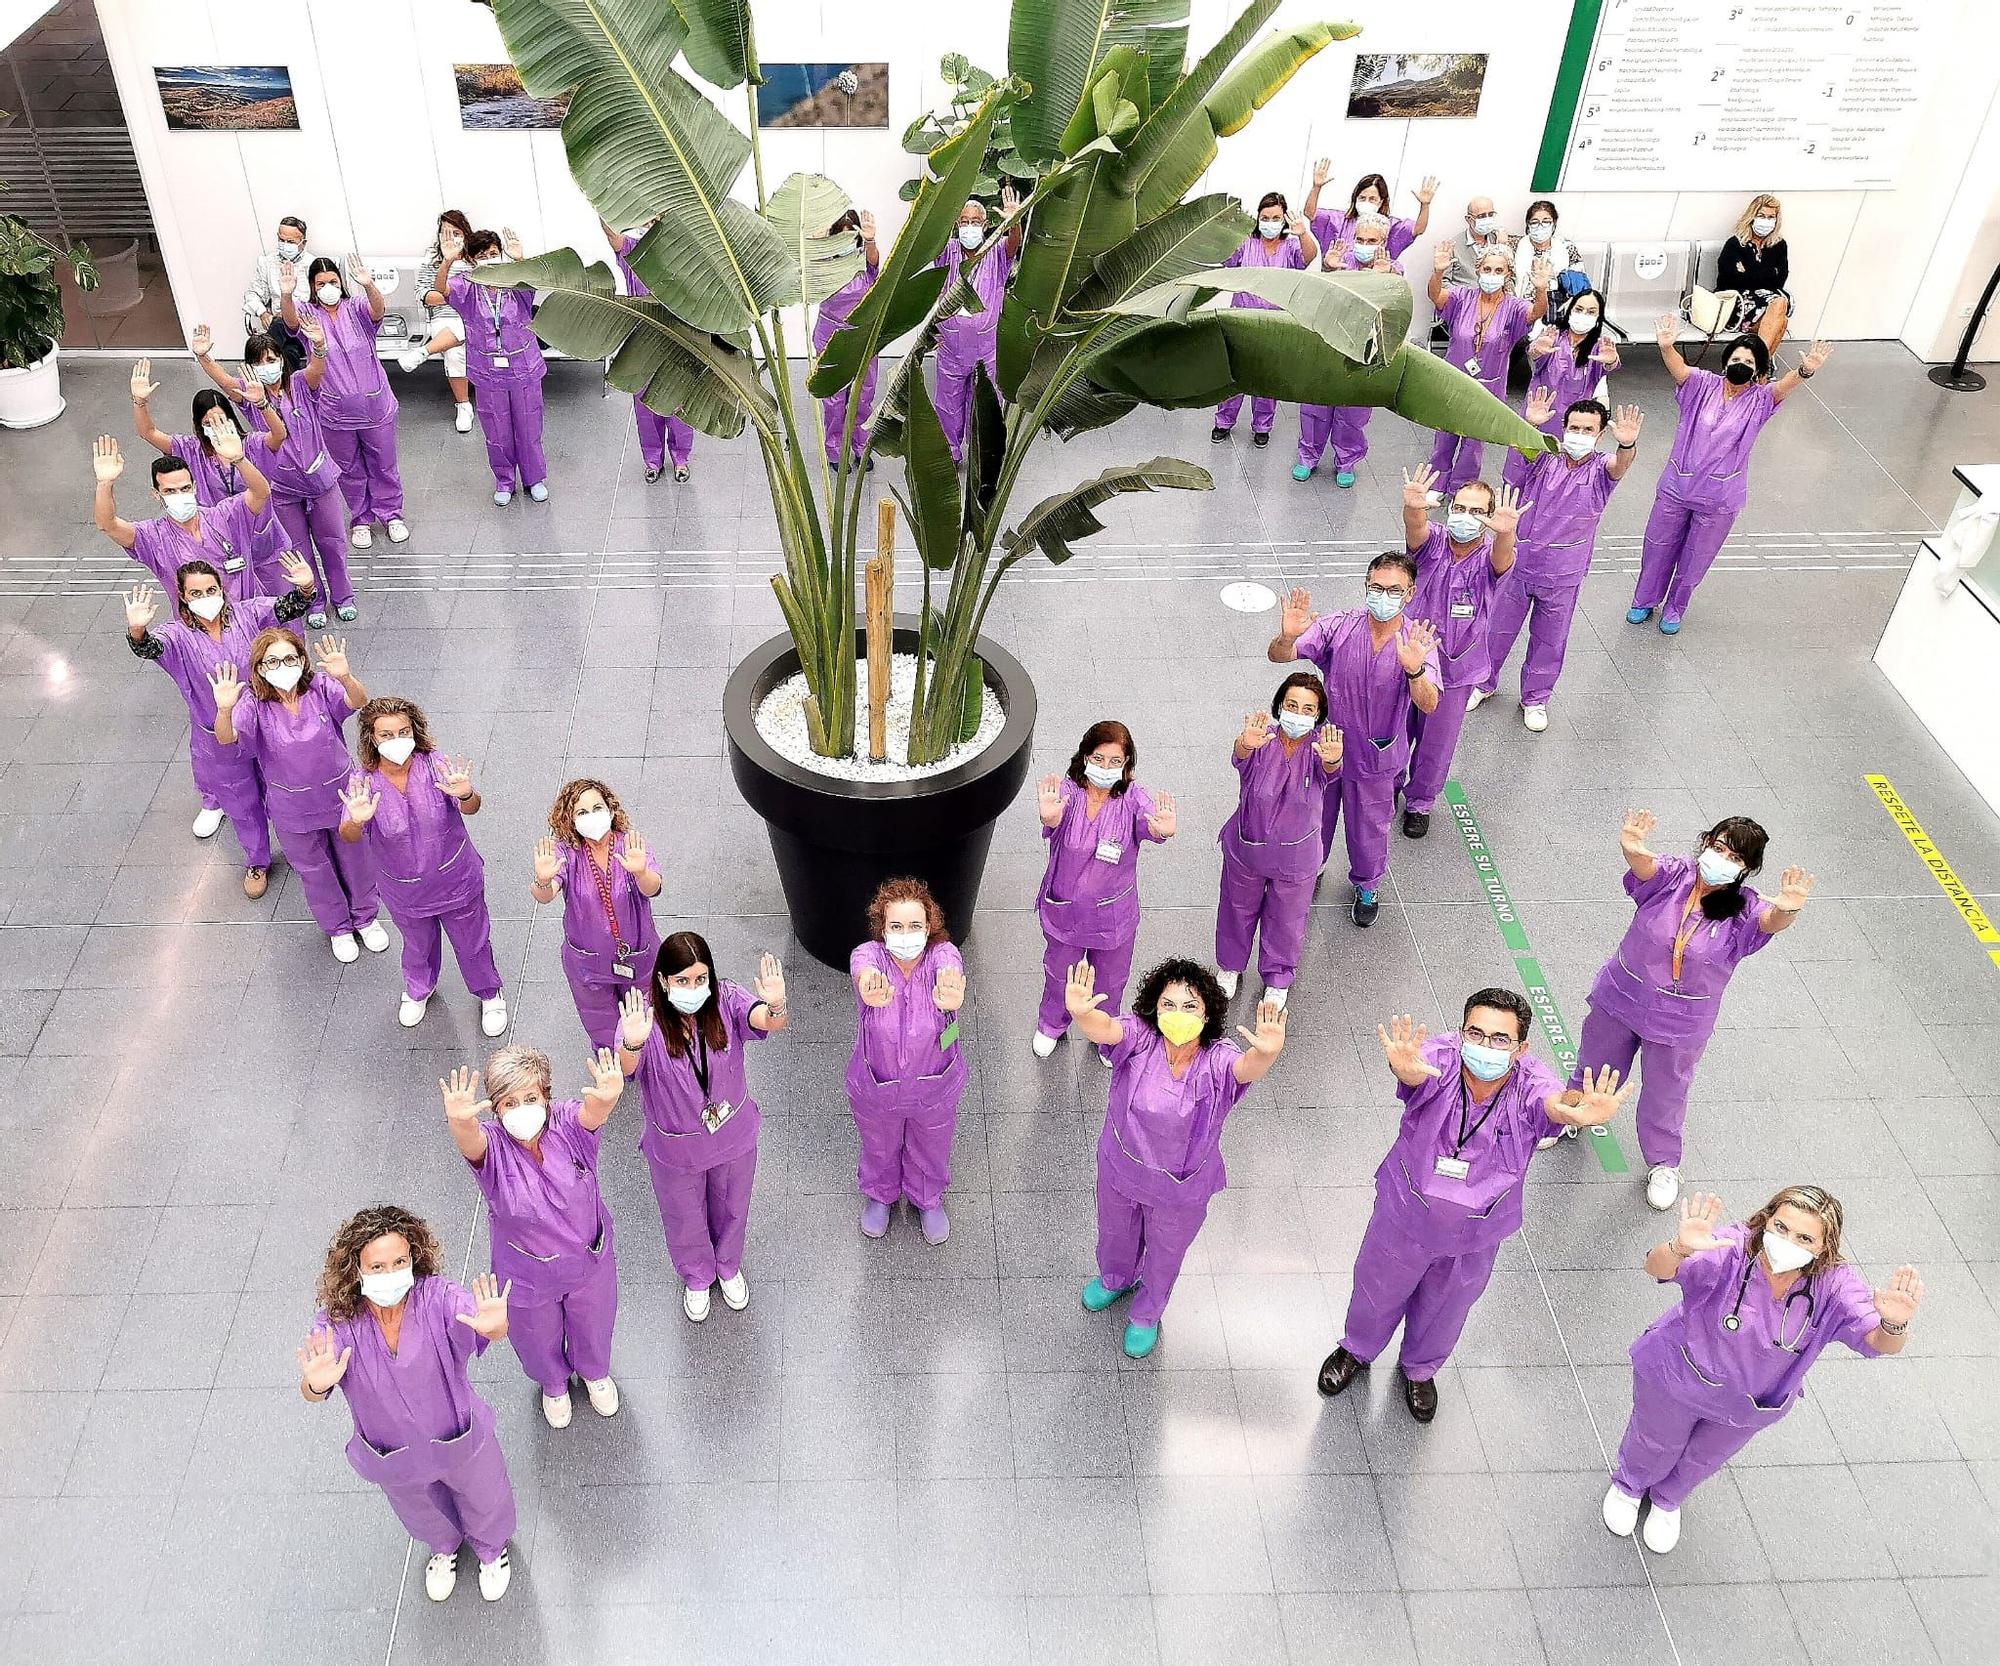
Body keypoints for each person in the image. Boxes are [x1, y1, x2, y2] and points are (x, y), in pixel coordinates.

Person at [1316, 998, 1631, 1420]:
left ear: (1521, 1047)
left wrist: (1576, 1112)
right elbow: (1413, 1073)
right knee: (1376, 1290)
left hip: (1476, 1232)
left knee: (1448, 1306)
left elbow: (1553, 1106)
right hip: (1406, 1214)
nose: (1485, 1045)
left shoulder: (1531, 1084)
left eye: (1501, 1038)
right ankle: (1356, 1349)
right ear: (1462, 1031)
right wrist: (1402, 1070)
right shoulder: (1439, 1059)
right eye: (1476, 1033)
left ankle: (1420, 1368)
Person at [1604, 1187, 1921, 1554]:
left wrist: (1893, 1324)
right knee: (1654, 1439)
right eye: (1781, 1227)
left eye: (1805, 1237)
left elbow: (1878, 1344)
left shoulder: (1833, 1287)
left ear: (1823, 1246)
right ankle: (1630, 1485)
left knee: (1705, 1456)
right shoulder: (1731, 1249)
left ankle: (1667, 1498)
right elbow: (1655, 1268)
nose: (1788, 1241)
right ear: (1766, 1219)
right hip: (1678, 1379)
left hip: (1748, 1405)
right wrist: (1680, 1246)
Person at [1567, 811, 1814, 1210]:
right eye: (1717, 848)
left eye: (1734, 857)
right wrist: (1631, 846)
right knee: (1595, 1062)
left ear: (1747, 869)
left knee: (1666, 1092)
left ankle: (1663, 1163)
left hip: (1679, 1023)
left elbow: (1771, 921)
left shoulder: (1744, 910)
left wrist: (1789, 908)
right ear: (1705, 845)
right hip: (1623, 995)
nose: (1722, 859)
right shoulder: (1675, 876)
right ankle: (1571, 1111)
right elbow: (1645, 866)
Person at [1066, 956, 1287, 1359]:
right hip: (1122, 1169)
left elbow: (1244, 1068)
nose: (1178, 1014)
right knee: (1116, 1231)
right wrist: (1082, 1014)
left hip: (1180, 1189)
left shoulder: (1217, 1060)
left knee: (1166, 1251)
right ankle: (1116, 1277)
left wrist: (1267, 1053)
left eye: (1190, 1006)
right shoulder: (1140, 1039)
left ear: (1207, 1014)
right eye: (1169, 1004)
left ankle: (1147, 1313)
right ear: (1155, 1007)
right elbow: (1108, 1029)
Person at [298, 1205, 517, 1602]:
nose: (390, 1273)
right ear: (356, 1270)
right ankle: (443, 1547)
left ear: (414, 1258)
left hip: (458, 1438)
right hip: (394, 1452)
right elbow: (314, 1386)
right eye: (377, 1266)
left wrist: (496, 1325)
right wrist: (314, 1384)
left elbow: (480, 1322)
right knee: (420, 1507)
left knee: (484, 1494)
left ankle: (490, 1549)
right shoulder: (338, 1323)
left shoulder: (437, 1298)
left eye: (399, 1261)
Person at [442, 1049, 626, 1428]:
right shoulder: (492, 1148)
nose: (522, 1109)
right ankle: (554, 1384)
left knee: (594, 1323)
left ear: (546, 1094)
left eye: (530, 1098)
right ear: (495, 1109)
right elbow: (469, 1141)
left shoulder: (568, 1124)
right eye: (509, 1102)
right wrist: (459, 1122)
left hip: (586, 1262)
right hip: (526, 1274)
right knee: (535, 1337)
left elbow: (593, 1113)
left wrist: (608, 1095)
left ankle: (593, 1372)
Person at [615, 936, 789, 1323]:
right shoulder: (643, 1021)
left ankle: (727, 1265)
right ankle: (697, 1275)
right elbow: (626, 1072)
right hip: (676, 1150)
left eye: (700, 979)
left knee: (732, 1204)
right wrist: (631, 1043)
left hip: (733, 1137)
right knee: (683, 1214)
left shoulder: (725, 1001)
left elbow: (765, 1020)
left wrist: (775, 1003)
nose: (693, 989)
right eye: (682, 981)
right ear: (662, 981)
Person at [121, 560, 315, 888]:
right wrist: (137, 631)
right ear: (182, 597)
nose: (205, 597)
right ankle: (257, 861)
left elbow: (290, 605)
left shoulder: (249, 615)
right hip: (218, 737)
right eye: (195, 592)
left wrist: (306, 587)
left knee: (283, 789)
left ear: (222, 589)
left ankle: (301, 849)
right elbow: (149, 648)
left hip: (266, 725)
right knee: (240, 800)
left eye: (211, 590)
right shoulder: (177, 637)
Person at [1268, 561, 1440, 927]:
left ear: (1410, 594)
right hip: (1326, 748)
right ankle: (1310, 866)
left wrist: (1414, 670)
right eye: (1377, 587)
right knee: (1314, 817)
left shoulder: (1416, 641)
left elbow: (1429, 703)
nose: (1384, 597)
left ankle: (1367, 886)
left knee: (1370, 831)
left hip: (1377, 757)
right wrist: (1286, 637)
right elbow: (1279, 655)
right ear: (1366, 586)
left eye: (1395, 591)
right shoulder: (1339, 627)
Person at [1629, 320, 1829, 633]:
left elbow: (1783, 387)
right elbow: (1679, 368)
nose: (1740, 364)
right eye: (1736, 359)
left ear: (1758, 369)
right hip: (1677, 486)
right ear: (1725, 363)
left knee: (1696, 556)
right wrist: (1666, 346)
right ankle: (1644, 599)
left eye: (1749, 362)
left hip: (1719, 497)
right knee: (1658, 545)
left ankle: (1674, 608)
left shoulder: (1761, 401)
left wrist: (1804, 371)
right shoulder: (1701, 385)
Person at [212, 629, 386, 963]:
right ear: (260, 667)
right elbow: (228, 739)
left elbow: (359, 702)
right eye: (273, 661)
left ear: (302, 660)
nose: (283, 666)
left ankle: (366, 917)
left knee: (357, 858)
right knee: (313, 869)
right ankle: (337, 927)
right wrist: (223, 710)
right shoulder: (254, 704)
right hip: (292, 807)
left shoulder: (320, 687)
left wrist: (346, 676)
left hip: (342, 795)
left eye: (290, 658)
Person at [338, 697, 507, 1036]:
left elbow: (471, 808)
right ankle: (418, 989)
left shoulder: (435, 766)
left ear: (415, 730)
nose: (396, 739)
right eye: (386, 734)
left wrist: (466, 793)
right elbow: (348, 834)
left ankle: (489, 994)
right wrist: (356, 820)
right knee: (417, 946)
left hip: (456, 880)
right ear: (371, 738)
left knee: (473, 942)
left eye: (403, 731)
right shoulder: (363, 784)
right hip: (405, 890)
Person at [1475, 401, 1642, 730]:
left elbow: (1621, 465)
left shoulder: (1601, 470)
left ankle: (1535, 698)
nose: (1579, 435)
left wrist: (1627, 444)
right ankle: (1482, 681)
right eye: (1574, 428)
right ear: (1564, 428)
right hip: (1520, 562)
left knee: (1550, 637)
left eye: (1588, 430)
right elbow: (1519, 459)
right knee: (1497, 626)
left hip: (1563, 571)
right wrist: (1528, 425)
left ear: (1599, 434)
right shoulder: (1545, 457)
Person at [1031, 721, 1177, 1058]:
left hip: (1113, 917)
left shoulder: (1132, 798)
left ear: (1127, 765)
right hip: (1066, 911)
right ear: (1084, 757)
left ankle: (1105, 1031)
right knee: (1059, 975)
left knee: (1111, 980)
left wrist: (1162, 830)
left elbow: (1149, 823)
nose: (1106, 768)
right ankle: (1051, 1023)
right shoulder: (1066, 793)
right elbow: (1053, 820)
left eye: (1115, 761)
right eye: (1099, 759)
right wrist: (1049, 817)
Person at [194, 327, 354, 625]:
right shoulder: (251, 395)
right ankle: (314, 601)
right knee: (297, 549)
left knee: (332, 541)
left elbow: (317, 368)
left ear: (281, 359)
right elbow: (226, 382)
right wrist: (204, 356)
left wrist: (319, 344)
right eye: (258, 363)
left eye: (270, 359)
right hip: (282, 489)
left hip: (320, 481)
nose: (265, 367)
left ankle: (343, 597)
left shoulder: (300, 384)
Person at [1397, 467, 1524, 838]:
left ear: (1487, 518)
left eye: (1476, 512)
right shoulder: (1432, 542)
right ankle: (1387, 787)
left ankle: (1420, 802)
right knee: (1396, 728)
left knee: (1436, 743)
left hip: (1456, 666)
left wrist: (1506, 532)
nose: (1465, 518)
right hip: (1411, 656)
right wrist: (1413, 507)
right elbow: (1415, 528)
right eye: (1460, 508)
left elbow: (1504, 556)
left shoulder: (1490, 557)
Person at [847, 877, 967, 1244]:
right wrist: (868, 984)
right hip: (877, 1085)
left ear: (928, 926)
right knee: (878, 1143)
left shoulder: (941, 957)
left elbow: (952, 966)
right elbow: (862, 967)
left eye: (915, 926)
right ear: (882, 929)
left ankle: (927, 1198)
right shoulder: (869, 956)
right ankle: (881, 1194)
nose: (906, 934)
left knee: (932, 1143)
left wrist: (951, 988)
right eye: (895, 926)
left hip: (935, 1086)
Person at [1214, 674, 1343, 1005]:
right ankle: (1230, 966)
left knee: (1287, 918)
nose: (1297, 715)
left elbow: (1331, 772)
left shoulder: (1319, 749)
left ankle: (1278, 977)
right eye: (1291, 706)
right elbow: (1240, 757)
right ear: (1279, 707)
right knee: (1236, 908)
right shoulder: (1260, 741)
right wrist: (1244, 743)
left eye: (1307, 709)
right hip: (1249, 849)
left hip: (1295, 857)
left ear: (1318, 716)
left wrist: (1333, 759)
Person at [402, 227, 547, 506]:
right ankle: (504, 481)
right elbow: (441, 291)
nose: (489, 260)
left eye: (494, 254)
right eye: (482, 255)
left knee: (529, 427)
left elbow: (533, 284)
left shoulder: (515, 283)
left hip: (523, 368)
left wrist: (519, 260)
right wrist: (447, 261)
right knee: (497, 431)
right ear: (471, 260)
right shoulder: (466, 287)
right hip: (488, 371)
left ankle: (534, 479)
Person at [281, 253, 408, 549]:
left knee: (384, 463)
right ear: (313, 287)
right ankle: (361, 519)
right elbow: (289, 319)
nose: (328, 287)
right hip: (334, 411)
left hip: (375, 406)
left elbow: (378, 310)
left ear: (341, 282)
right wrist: (286, 293)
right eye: (321, 283)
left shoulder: (356, 308)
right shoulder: (308, 314)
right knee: (349, 468)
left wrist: (368, 285)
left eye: (333, 281)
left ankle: (391, 515)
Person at [531, 779, 663, 1049]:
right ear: (570, 819)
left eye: (597, 807)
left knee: (644, 1012)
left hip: (637, 953)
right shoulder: (566, 853)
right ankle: (613, 1060)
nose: (591, 816)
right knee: (600, 1021)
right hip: (588, 961)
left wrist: (640, 872)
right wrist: (543, 880)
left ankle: (643, 1056)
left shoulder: (631, 846)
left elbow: (653, 888)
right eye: (581, 812)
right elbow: (546, 894)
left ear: (611, 809)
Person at [90, 434, 271, 607]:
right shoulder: (153, 538)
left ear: (194, 487)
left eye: (184, 488)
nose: (179, 495)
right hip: (196, 631)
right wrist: (105, 483)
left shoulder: (225, 516)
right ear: (156, 495)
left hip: (249, 621)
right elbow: (108, 525)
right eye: (170, 491)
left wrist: (239, 459)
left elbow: (261, 492)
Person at [1426, 240, 1547, 492]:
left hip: (1488, 389)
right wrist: (1438, 272)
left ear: (1508, 275)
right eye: (1487, 269)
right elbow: (1436, 296)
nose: (1491, 275)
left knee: (1474, 444)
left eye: (1498, 271)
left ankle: (1461, 487)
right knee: (1444, 436)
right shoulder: (1462, 297)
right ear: (1478, 270)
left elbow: (1535, 313)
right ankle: (1436, 484)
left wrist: (1541, 289)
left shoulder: (1513, 307)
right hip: (1453, 383)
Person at [1294, 215, 1402, 486]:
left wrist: (1382, 278)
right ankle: (1308, 456)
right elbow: (1320, 298)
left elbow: (1394, 309)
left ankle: (1346, 461)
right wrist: (1329, 271)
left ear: (1384, 242)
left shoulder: (1392, 270)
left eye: (1372, 241)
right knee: (1315, 406)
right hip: (1330, 346)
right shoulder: (1340, 261)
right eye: (1360, 240)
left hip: (1365, 353)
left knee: (1352, 414)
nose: (1364, 245)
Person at [1211, 195, 1318, 448]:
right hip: (1241, 320)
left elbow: (1308, 258)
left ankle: (1262, 426)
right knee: (1234, 374)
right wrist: (1226, 231)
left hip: (1274, 324)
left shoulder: (1291, 246)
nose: (1270, 223)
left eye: (1276, 218)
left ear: (1284, 220)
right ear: (1258, 219)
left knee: (1267, 378)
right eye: (1265, 218)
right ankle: (1223, 421)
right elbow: (1227, 260)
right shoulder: (1247, 243)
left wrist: (1303, 234)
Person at [129, 352, 285, 513]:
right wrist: (140, 402)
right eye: (208, 423)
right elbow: (148, 432)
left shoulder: (251, 444)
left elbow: (279, 435)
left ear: (231, 419)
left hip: (259, 523)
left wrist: (262, 404)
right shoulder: (190, 449)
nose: (216, 427)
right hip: (216, 528)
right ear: (198, 425)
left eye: (221, 420)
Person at [934, 186, 1024, 463]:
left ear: (985, 225)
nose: (969, 227)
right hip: (950, 346)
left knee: (984, 403)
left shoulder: (995, 253)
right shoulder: (948, 252)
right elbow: (931, 244)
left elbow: (1013, 244)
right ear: (956, 225)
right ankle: (950, 453)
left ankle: (981, 455)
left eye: (975, 222)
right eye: (964, 222)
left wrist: (1014, 222)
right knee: (947, 404)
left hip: (986, 348)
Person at [600, 217, 694, 483]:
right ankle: (652, 460)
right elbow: (612, 237)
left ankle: (681, 458)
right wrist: (602, 206)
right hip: (641, 344)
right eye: (649, 217)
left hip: (677, 341)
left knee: (680, 405)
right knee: (645, 405)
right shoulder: (634, 251)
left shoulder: (682, 253)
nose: (654, 221)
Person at [1501, 283, 1617, 488]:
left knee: (1557, 476)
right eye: (1579, 309)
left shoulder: (1599, 348)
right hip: (1537, 414)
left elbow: (1609, 366)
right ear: (1570, 309)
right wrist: (1537, 348)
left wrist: (1610, 360)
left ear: (1599, 317)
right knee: (1521, 466)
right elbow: (1534, 356)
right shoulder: (1553, 336)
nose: (1584, 315)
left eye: (1591, 312)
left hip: (1572, 424)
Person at [814, 208, 881, 469]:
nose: (845, 243)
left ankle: (862, 447)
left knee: (862, 396)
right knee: (834, 400)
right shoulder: (826, 265)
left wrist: (870, 239)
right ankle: (835, 451)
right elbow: (808, 266)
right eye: (838, 236)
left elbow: (875, 264)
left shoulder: (864, 261)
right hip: (830, 338)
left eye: (849, 236)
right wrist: (819, 241)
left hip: (862, 339)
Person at [411, 209, 477, 432]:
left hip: (476, 318)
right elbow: (427, 296)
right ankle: (463, 406)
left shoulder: (475, 262)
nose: (450, 238)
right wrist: (455, 293)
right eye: (445, 233)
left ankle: (424, 351)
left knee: (457, 338)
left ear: (465, 234)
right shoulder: (432, 263)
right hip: (443, 319)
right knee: (454, 348)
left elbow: (480, 296)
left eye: (455, 232)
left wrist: (449, 295)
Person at [1302, 162, 1435, 260]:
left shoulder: (1389, 226)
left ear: (1381, 201)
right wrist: (1316, 187)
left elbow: (1418, 229)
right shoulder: (1339, 220)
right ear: (1355, 199)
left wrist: (1425, 205)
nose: (1366, 202)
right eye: (1362, 198)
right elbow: (1310, 213)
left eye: (1372, 199)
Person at [1716, 194, 1790, 354]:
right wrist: (1768, 273)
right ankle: (1761, 369)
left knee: (1778, 306)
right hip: (1737, 303)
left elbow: (1780, 279)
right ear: (1752, 217)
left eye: (1771, 217)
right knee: (1780, 316)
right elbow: (1732, 281)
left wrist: (1749, 272)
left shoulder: (1779, 245)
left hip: (1767, 303)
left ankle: (1757, 369)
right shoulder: (1735, 244)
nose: (1766, 221)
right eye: (1761, 215)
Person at [240, 214, 313, 368]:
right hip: (279, 329)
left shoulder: (313, 265)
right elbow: (252, 294)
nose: (284, 244)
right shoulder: (267, 263)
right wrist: (262, 312)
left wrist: (291, 313)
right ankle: (285, 388)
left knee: (278, 327)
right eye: (281, 240)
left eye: (290, 242)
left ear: (303, 243)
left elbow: (319, 303)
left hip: (304, 328)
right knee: (288, 353)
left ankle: (254, 377)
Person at [1513, 198, 1585, 302]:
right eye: (1535, 222)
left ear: (1554, 224)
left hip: (1557, 307)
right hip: (1521, 307)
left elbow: (1578, 285)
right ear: (1528, 225)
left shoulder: (1567, 248)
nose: (1540, 226)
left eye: (1546, 222)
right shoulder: (1515, 246)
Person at [1443, 194, 1507, 287]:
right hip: (1464, 298)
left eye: (1491, 214)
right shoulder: (1453, 246)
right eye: (1482, 216)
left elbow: (1510, 278)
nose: (1487, 218)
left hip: (1495, 298)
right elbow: (1443, 283)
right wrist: (1463, 297)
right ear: (1469, 219)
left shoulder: (1498, 240)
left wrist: (1501, 248)